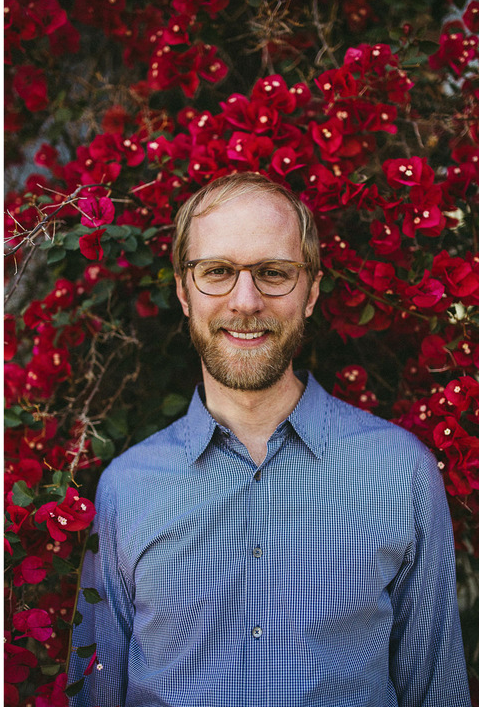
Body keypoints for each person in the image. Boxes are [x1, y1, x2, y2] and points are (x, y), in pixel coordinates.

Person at [66, 172, 470, 707]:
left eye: (274, 273)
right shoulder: (127, 488)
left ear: (311, 291)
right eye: (217, 272)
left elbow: (436, 691)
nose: (246, 300)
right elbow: (94, 692)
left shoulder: (400, 471)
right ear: (184, 292)